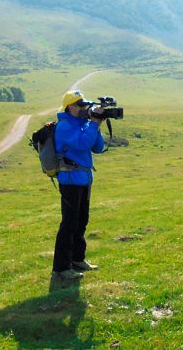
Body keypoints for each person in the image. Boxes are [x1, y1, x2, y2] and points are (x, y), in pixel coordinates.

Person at [52, 90, 107, 281]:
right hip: (70, 180)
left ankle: (77, 259)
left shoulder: (82, 124)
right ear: (70, 107)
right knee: (69, 223)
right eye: (81, 105)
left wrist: (95, 125)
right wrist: (93, 123)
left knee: (82, 220)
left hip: (83, 179)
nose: (85, 108)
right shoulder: (65, 126)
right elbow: (82, 145)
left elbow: (98, 147)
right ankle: (61, 268)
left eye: (86, 105)